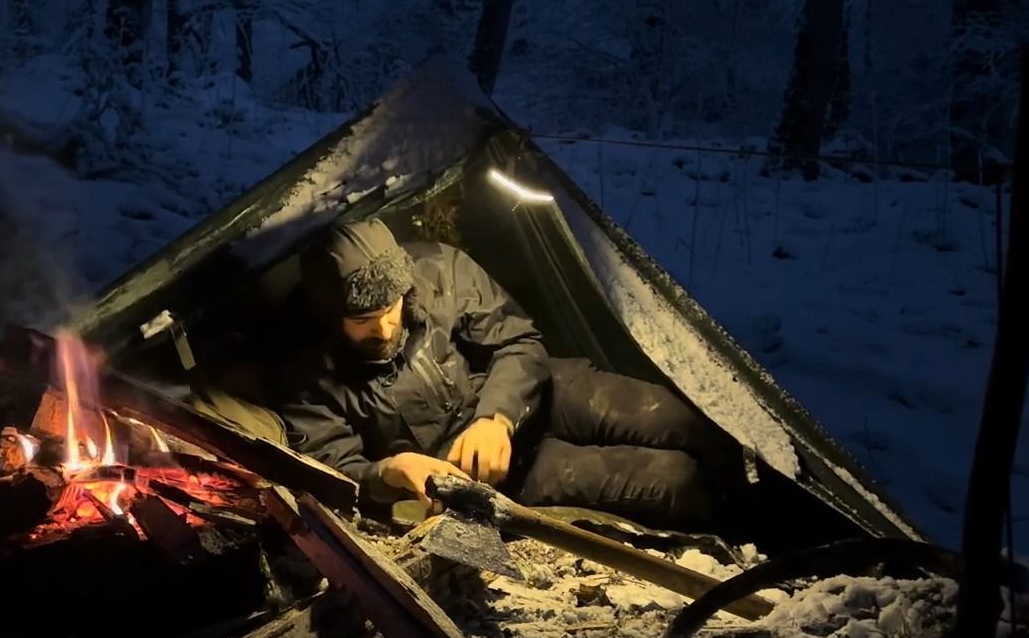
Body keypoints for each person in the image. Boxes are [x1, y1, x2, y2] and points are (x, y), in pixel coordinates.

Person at [276, 217, 750, 531]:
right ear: (330, 316)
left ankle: (770, 500)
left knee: (678, 418)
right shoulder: (302, 367)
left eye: (390, 308)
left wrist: (497, 416)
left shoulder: (440, 270)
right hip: (485, 473)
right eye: (362, 321)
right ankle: (740, 537)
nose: (382, 327)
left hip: (533, 391)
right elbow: (331, 467)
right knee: (670, 481)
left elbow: (518, 340)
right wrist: (391, 471)